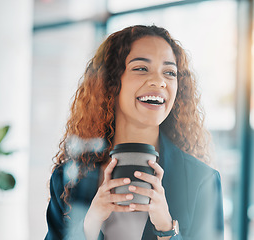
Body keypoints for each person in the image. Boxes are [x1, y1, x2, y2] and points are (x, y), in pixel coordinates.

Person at [45, 25, 224, 240]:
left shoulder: (201, 181)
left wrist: (167, 228)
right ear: (110, 82)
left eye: (169, 72)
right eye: (141, 68)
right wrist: (89, 226)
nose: (159, 81)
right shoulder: (67, 179)